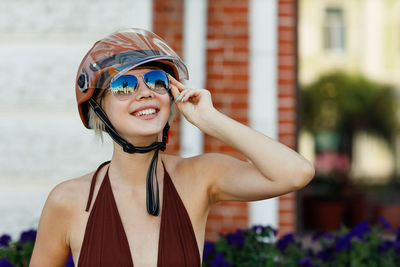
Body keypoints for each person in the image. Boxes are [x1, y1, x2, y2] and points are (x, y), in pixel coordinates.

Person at [29, 28, 315, 267]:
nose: (144, 93)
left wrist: (210, 119)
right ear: (97, 108)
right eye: (125, 85)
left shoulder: (200, 177)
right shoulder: (68, 200)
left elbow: (295, 173)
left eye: (157, 81)